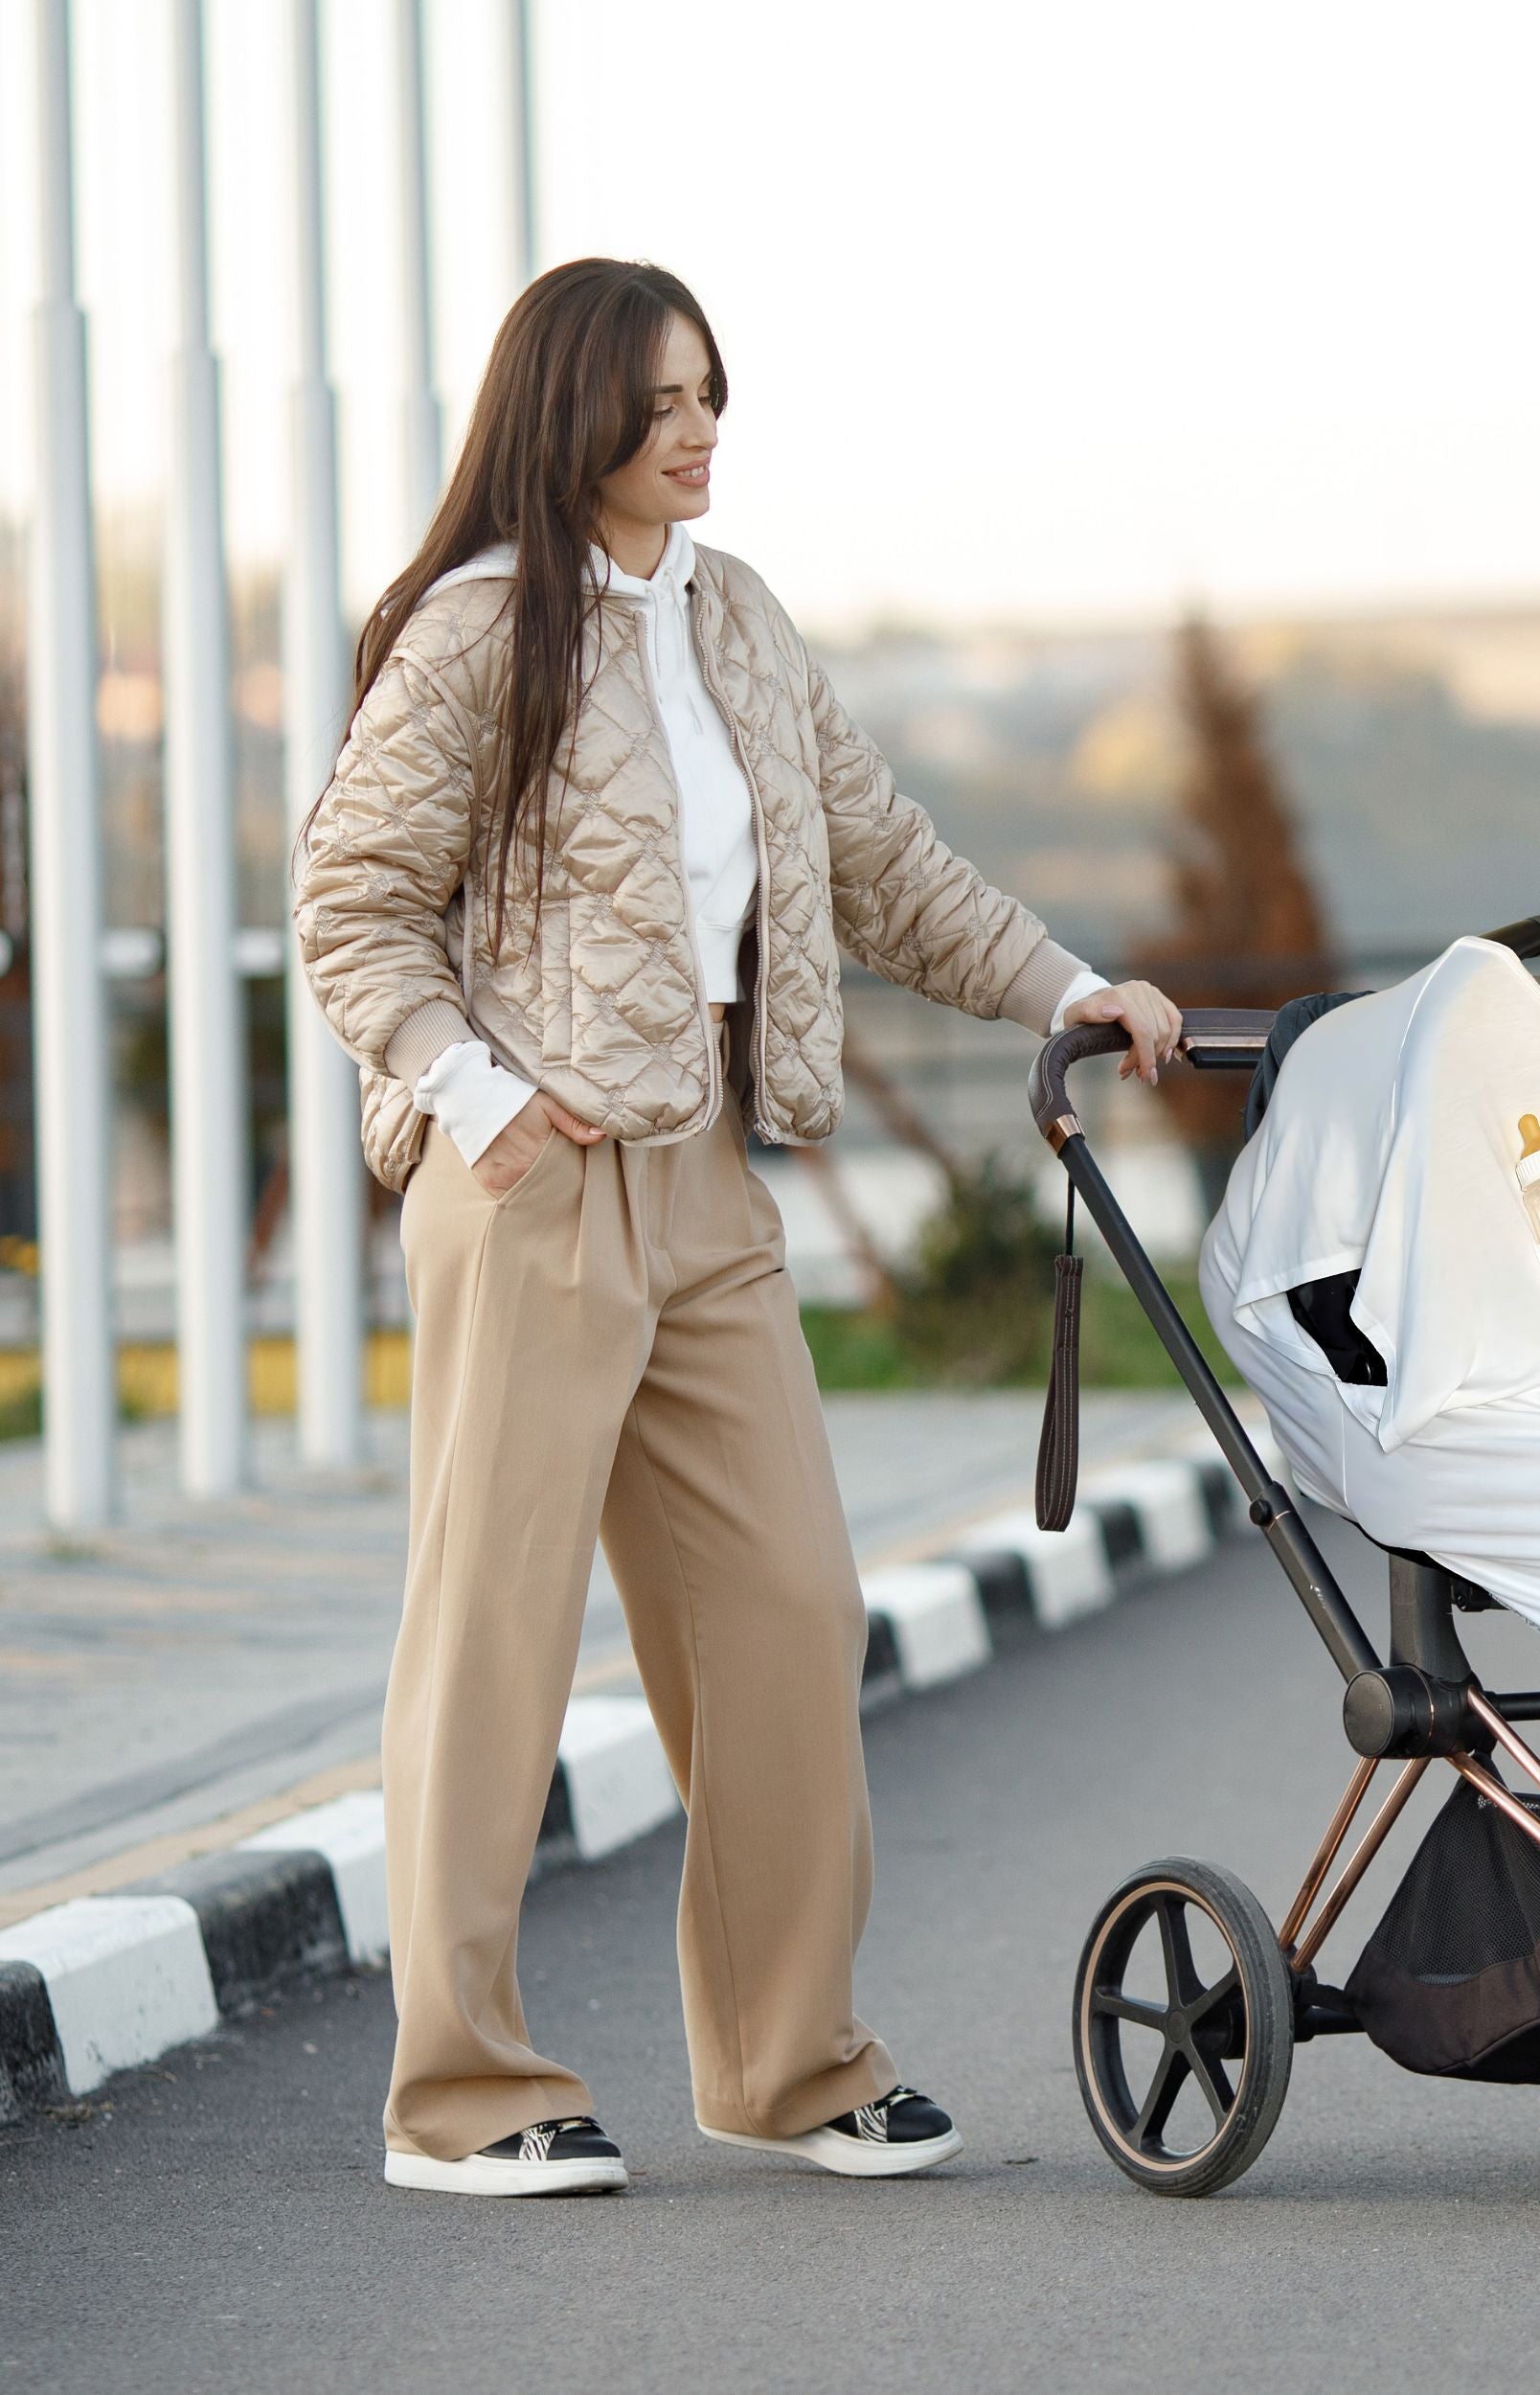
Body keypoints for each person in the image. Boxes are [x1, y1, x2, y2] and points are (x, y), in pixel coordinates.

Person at [293, 259, 1180, 2198]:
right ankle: (461, 2090)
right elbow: (353, 904)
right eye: (664, 398)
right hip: (526, 1178)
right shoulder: (473, 630)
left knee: (787, 1603)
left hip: (703, 1175)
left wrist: (1064, 985)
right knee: (495, 1635)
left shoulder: (741, 621)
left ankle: (788, 2058)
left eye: (714, 393)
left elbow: (880, 861)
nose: (701, 429)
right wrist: (468, 1090)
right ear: (573, 414)